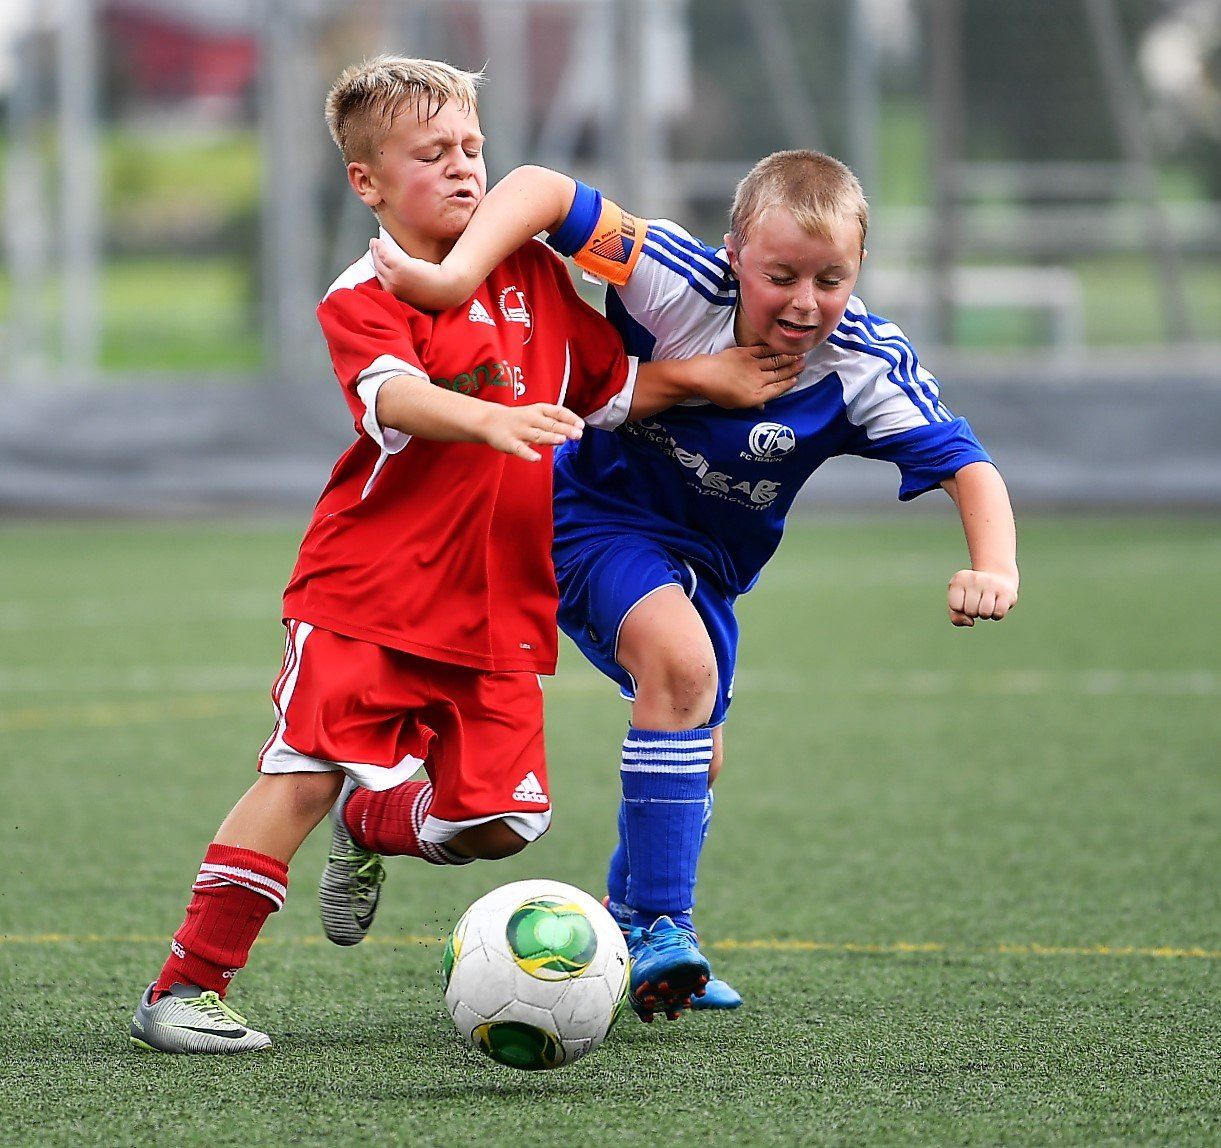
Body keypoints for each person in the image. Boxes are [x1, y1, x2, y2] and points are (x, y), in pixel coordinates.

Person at [127, 57, 804, 1054]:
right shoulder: (363, 292)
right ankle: (185, 985)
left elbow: (610, 388)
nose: (461, 168)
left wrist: (715, 374)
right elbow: (390, 396)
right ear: (368, 182)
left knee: (502, 823)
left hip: (497, 608)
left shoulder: (531, 269)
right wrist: (486, 421)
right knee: (306, 769)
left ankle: (376, 822)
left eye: (472, 148)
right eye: (431, 153)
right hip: (368, 590)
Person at [370, 150, 1020, 1020]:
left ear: (858, 271)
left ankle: (625, 918)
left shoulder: (865, 361)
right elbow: (538, 189)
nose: (803, 301)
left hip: (706, 571)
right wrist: (453, 279)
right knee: (680, 670)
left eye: (830, 280)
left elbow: (966, 465)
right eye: (779, 274)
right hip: (585, 521)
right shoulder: (674, 278)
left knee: (694, 749)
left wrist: (995, 565)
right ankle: (664, 927)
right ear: (732, 254)